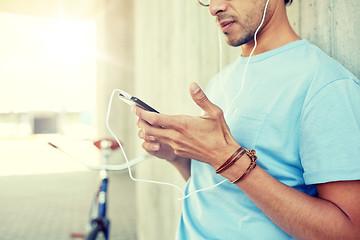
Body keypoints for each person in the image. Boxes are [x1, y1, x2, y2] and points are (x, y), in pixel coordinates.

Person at [133, 0, 360, 239]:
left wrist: (227, 158)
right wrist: (178, 157)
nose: (214, 8)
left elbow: (349, 232)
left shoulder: (325, 85)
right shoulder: (222, 79)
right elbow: (221, 193)